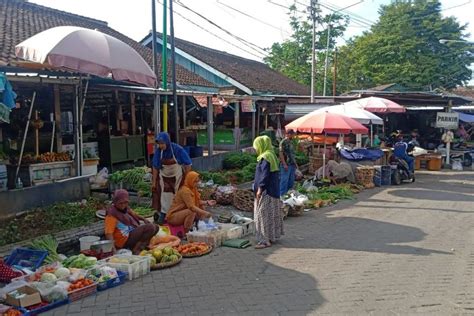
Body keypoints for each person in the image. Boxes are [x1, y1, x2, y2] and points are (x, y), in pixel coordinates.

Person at [151, 132, 192, 224]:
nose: (161, 146)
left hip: (177, 177)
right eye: (159, 144)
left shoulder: (177, 149)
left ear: (167, 142)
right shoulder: (159, 152)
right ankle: (163, 214)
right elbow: (155, 166)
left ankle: (176, 214)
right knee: (164, 195)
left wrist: (187, 180)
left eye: (162, 143)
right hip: (164, 177)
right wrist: (154, 182)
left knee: (178, 196)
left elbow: (188, 164)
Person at [253, 136, 284, 249]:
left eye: (256, 147)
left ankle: (264, 241)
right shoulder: (271, 155)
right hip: (273, 191)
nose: (256, 149)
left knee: (262, 215)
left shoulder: (265, 157)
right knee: (271, 214)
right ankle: (271, 237)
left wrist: (260, 188)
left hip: (266, 192)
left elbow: (264, 175)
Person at [105, 189, 158, 255]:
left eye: (125, 202)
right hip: (123, 241)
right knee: (150, 227)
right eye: (120, 203)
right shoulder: (111, 214)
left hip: (130, 233)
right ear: (115, 202)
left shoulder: (126, 208)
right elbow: (108, 234)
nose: (123, 205)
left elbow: (134, 214)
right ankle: (136, 250)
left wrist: (144, 219)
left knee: (156, 227)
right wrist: (113, 250)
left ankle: (140, 247)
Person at [279, 129, 298, 197]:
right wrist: (284, 164)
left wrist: (295, 164)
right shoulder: (283, 142)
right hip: (286, 164)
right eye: (292, 134)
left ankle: (289, 194)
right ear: (288, 134)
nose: (293, 135)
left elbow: (292, 154)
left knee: (291, 181)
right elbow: (281, 153)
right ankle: (282, 196)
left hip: (292, 164)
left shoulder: (291, 142)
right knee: (284, 180)